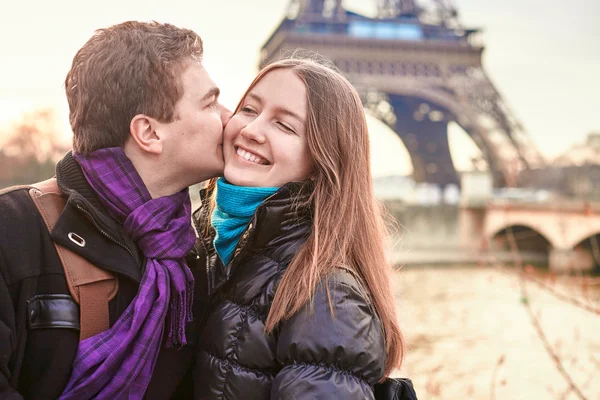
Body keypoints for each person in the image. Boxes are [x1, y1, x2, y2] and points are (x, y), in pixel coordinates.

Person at [0, 21, 231, 399]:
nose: (228, 116)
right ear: (149, 133)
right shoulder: (12, 229)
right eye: (209, 103)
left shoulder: (190, 260)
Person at [191, 57, 405, 399]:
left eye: (284, 125)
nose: (251, 130)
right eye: (248, 109)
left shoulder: (329, 295)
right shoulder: (213, 243)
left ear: (322, 162)